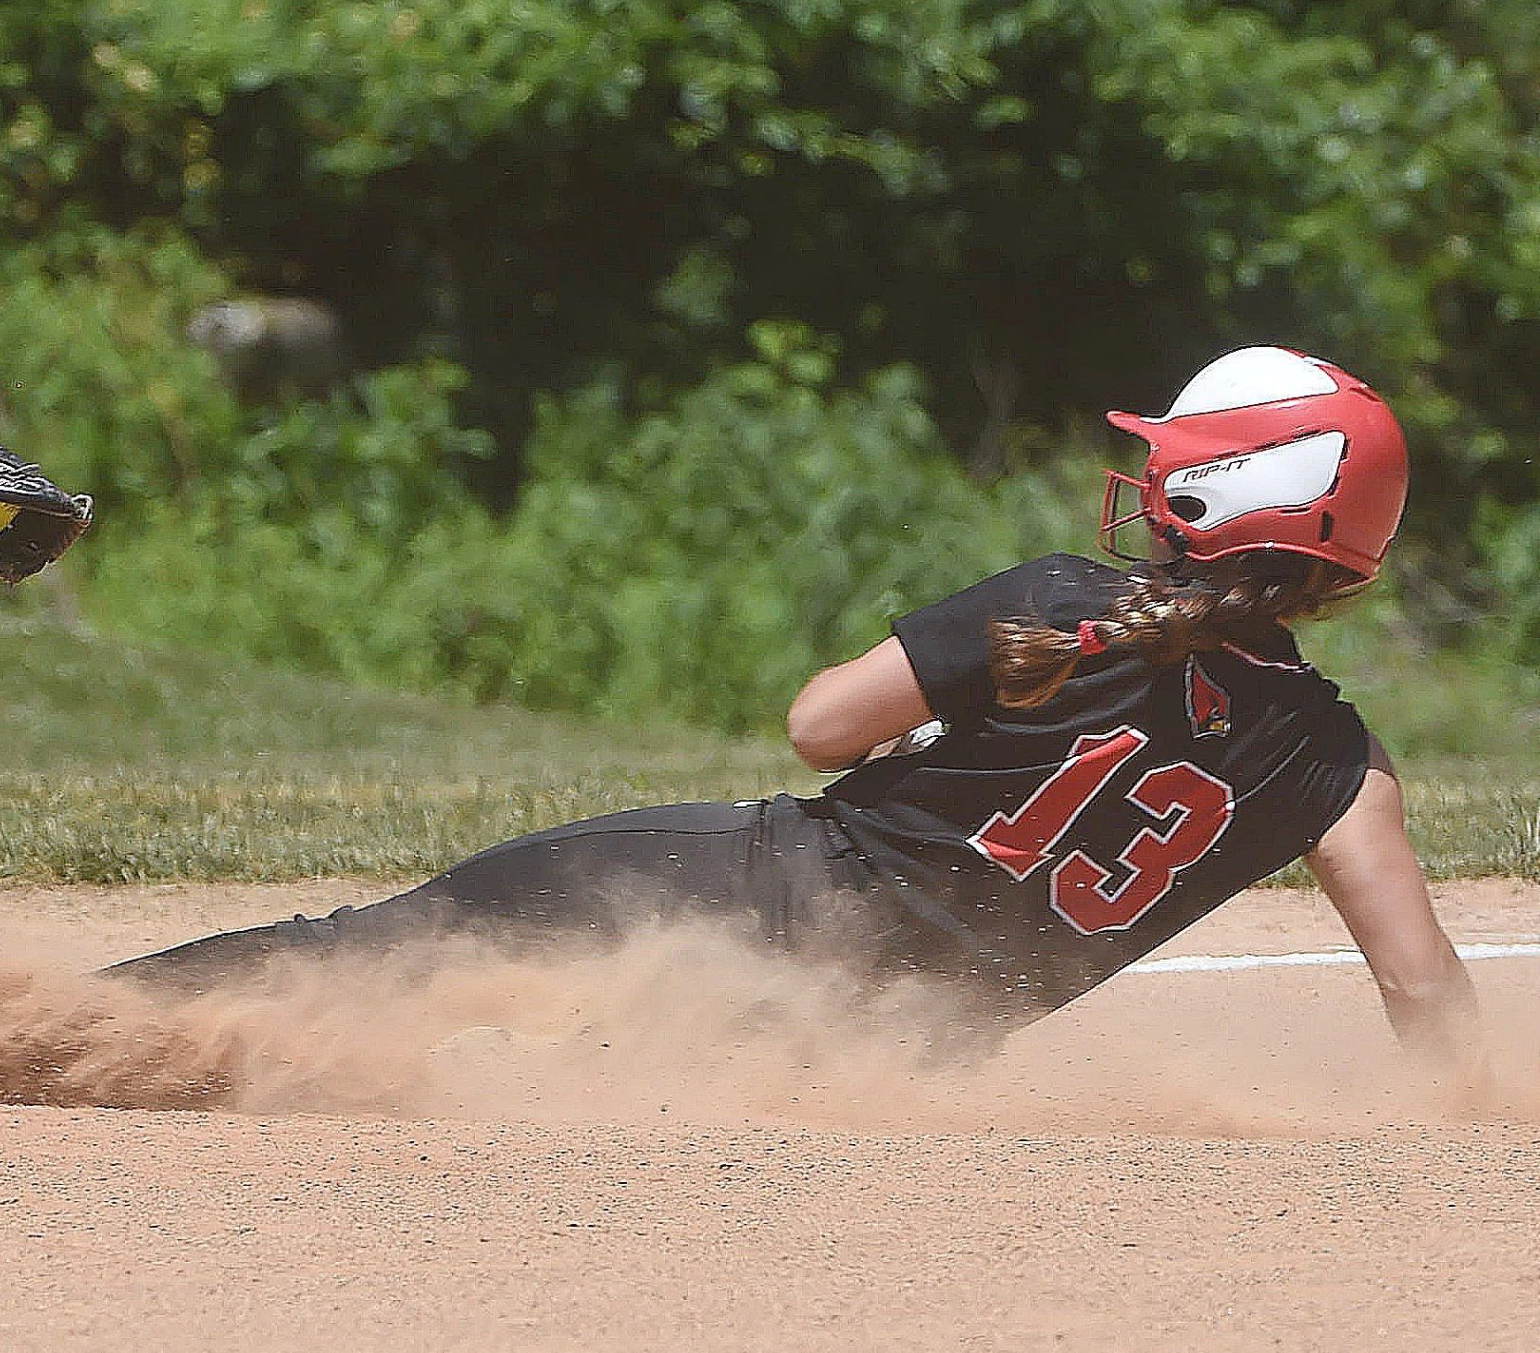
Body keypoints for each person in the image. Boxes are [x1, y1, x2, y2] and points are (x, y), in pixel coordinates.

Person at [115, 347, 1484, 1081]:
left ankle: (42, 1032)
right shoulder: (1341, 766)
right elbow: (1425, 990)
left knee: (373, 950)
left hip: (751, 898)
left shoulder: (1069, 599)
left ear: (1224, 499)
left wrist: (933, 745)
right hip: (887, 1050)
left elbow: (822, 723)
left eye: (1170, 467)